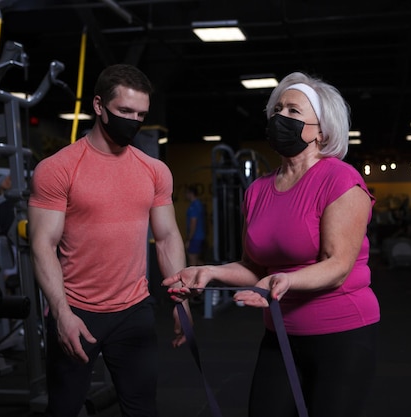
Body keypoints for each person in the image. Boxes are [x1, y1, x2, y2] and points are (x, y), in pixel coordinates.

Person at [163, 71, 380, 417]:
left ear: (321, 130)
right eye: (277, 109)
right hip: (281, 334)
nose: (281, 116)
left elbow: (337, 266)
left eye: (294, 111)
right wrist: (208, 272)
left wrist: (286, 280)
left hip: (342, 331)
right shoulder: (258, 190)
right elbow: (254, 268)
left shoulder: (340, 179)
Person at [28, 64, 190, 417]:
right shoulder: (59, 168)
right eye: (125, 112)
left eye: (141, 115)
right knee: (65, 409)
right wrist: (61, 313)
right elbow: (42, 244)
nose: (133, 121)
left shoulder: (154, 170)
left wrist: (179, 298)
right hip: (77, 310)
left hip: (135, 309)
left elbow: (166, 236)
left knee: (142, 409)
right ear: (99, 106)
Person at [184, 186, 206, 266]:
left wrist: (189, 239)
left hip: (195, 238)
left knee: (192, 261)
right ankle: (208, 277)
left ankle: (192, 279)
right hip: (200, 237)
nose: (185, 195)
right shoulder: (199, 204)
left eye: (187, 193)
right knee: (197, 261)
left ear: (191, 193)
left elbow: (193, 223)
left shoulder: (193, 207)